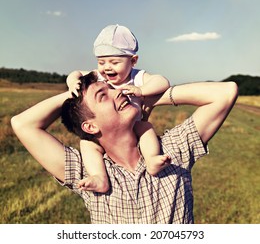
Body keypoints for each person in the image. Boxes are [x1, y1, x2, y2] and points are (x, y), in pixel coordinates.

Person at [11, 70, 238, 224]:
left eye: (111, 87)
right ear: (89, 126)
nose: (117, 91)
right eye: (103, 95)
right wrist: (72, 94)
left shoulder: (171, 149)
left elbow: (225, 92)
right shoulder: (88, 172)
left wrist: (150, 98)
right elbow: (22, 124)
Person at [66, 24, 171, 192]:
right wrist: (73, 83)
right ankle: (99, 178)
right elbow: (76, 73)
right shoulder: (99, 77)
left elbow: (162, 81)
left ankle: (151, 159)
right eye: (101, 62)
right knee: (87, 143)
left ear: (133, 61)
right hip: (110, 133)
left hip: (134, 126)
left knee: (145, 128)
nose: (107, 67)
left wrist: (142, 90)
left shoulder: (137, 77)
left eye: (114, 62)